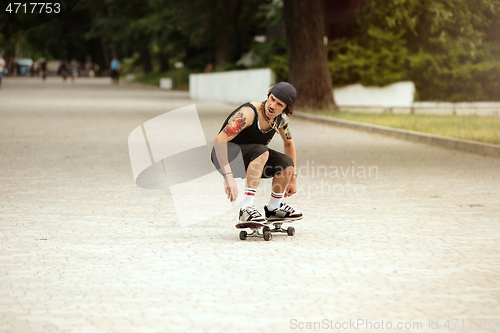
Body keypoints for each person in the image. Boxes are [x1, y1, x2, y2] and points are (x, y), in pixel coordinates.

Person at [211, 82, 303, 223]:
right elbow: (219, 141)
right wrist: (228, 176)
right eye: (272, 99)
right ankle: (246, 208)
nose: (272, 105)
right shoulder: (248, 114)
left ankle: (273, 209)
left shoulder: (281, 120)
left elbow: (289, 143)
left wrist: (293, 178)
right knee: (262, 152)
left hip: (253, 158)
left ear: (285, 109)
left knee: (286, 164)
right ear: (268, 96)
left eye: (279, 104)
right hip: (224, 156)